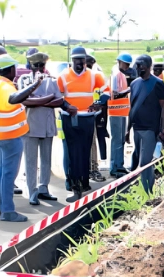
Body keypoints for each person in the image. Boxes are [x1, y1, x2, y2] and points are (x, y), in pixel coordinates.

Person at [0, 54, 43, 222]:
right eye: (14, 69)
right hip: (10, 136)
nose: (16, 73)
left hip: (0, 134)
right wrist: (36, 84)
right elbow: (13, 99)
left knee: (2, 173)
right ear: (9, 69)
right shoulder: (4, 87)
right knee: (8, 174)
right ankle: (7, 211)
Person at [57, 47, 109, 201]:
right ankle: (75, 188)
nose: (80, 63)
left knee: (85, 151)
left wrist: (99, 103)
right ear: (72, 60)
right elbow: (57, 97)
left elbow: (107, 91)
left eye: (82, 60)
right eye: (77, 60)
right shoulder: (63, 76)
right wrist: (66, 106)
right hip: (70, 118)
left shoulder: (94, 76)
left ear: (86, 61)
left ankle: (84, 183)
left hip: (87, 117)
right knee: (73, 153)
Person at [17, 50, 62, 206]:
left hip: (47, 125)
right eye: (36, 65)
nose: (39, 68)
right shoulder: (24, 80)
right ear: (30, 65)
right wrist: (47, 99)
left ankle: (44, 188)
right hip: (30, 125)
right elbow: (25, 101)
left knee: (46, 160)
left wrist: (39, 101)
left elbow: (59, 101)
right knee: (30, 161)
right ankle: (32, 191)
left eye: (42, 65)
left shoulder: (51, 81)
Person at [126, 55, 164, 195]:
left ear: (149, 66)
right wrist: (128, 129)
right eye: (136, 65)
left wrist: (163, 128)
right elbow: (132, 107)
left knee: (145, 162)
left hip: (151, 129)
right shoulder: (134, 84)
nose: (138, 68)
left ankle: (145, 193)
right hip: (137, 127)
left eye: (141, 65)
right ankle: (150, 190)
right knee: (144, 162)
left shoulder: (158, 84)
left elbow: (163, 108)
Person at [109, 53, 133, 177]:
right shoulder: (116, 74)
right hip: (115, 111)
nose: (128, 66)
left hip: (122, 111)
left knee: (121, 140)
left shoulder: (121, 74)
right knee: (117, 140)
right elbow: (115, 94)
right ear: (120, 62)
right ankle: (114, 167)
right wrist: (129, 89)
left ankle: (119, 164)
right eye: (126, 64)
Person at [86, 53, 107, 181]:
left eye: (90, 65)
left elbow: (105, 93)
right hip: (81, 114)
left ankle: (93, 169)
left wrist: (99, 105)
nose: (88, 67)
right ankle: (88, 169)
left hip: (92, 115)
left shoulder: (95, 77)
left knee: (92, 143)